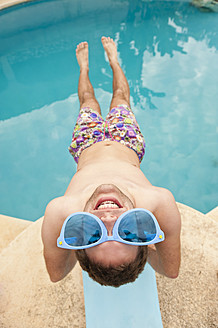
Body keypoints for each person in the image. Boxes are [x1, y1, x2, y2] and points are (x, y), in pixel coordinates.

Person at [41, 36, 181, 287]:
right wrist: (143, 242)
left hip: (86, 143)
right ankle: (114, 61)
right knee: (120, 96)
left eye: (94, 233)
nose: (107, 217)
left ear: (80, 240)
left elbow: (56, 274)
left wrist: (77, 241)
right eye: (127, 232)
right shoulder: (159, 201)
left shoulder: (60, 210)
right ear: (144, 239)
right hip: (127, 142)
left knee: (87, 100)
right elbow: (171, 270)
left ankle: (84, 67)